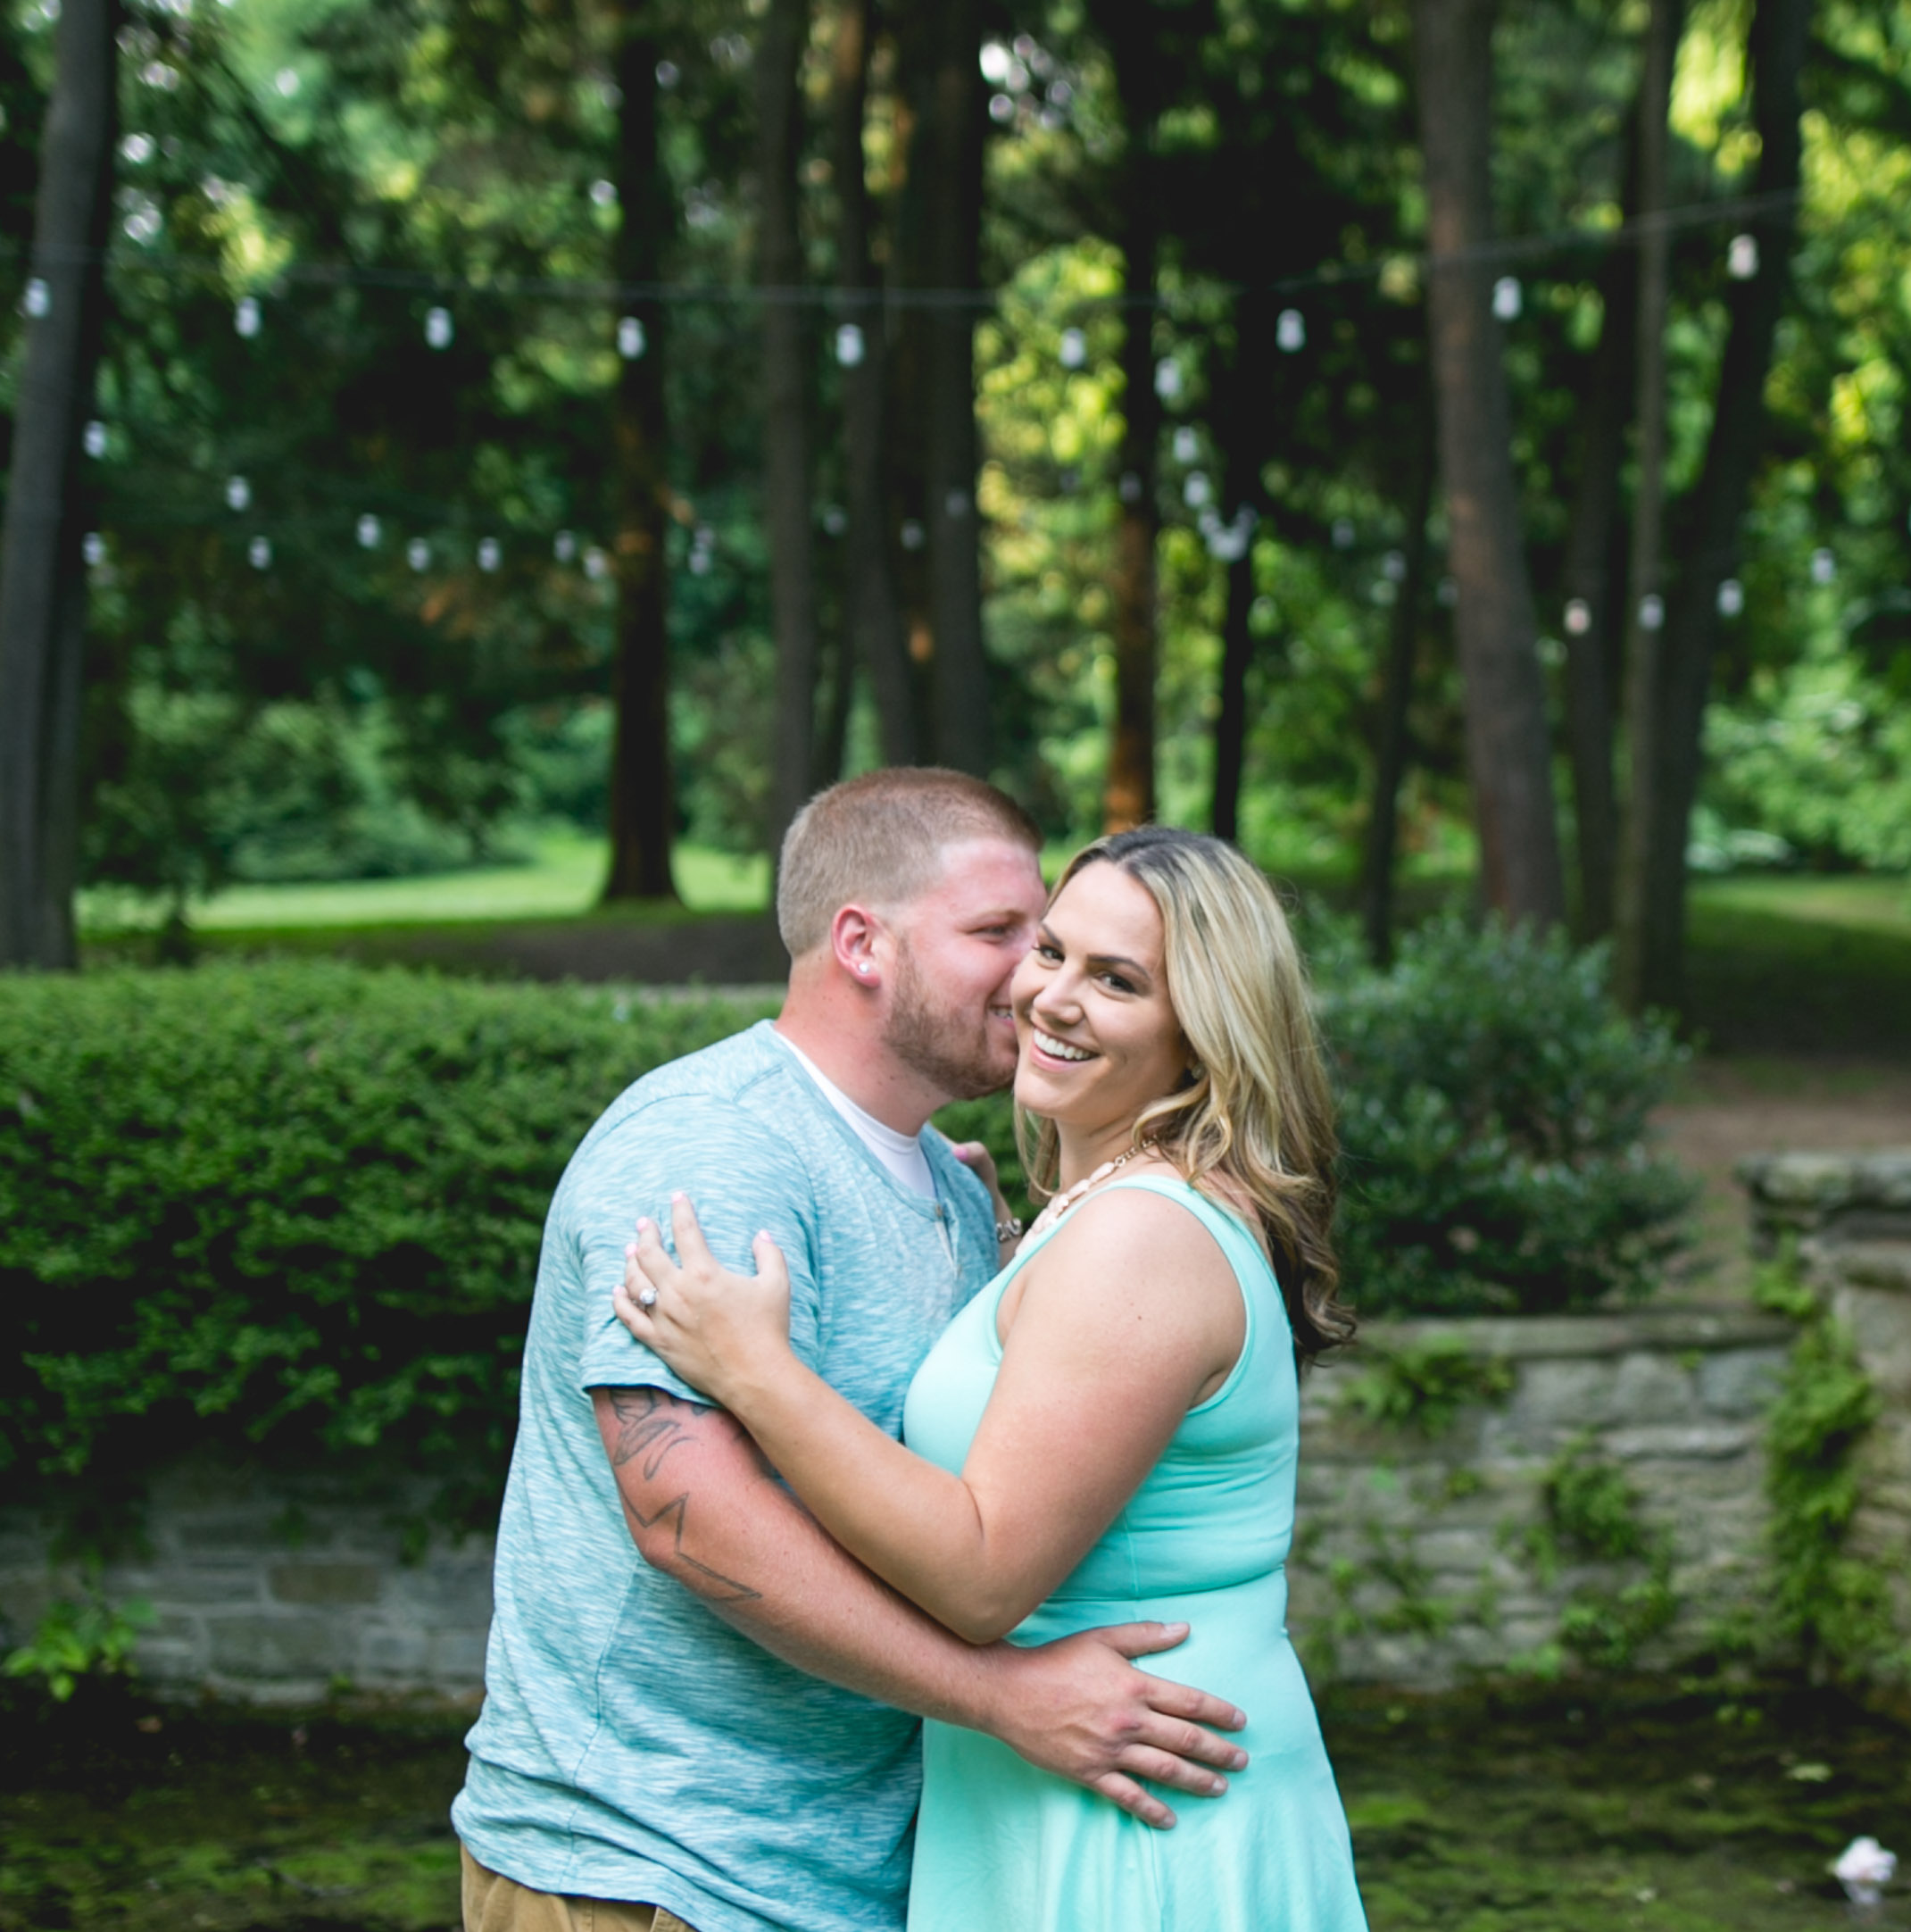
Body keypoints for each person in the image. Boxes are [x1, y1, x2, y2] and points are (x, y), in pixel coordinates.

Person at [453, 771, 1252, 1932]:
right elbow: (687, 1517)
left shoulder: (946, 1184)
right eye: (1001, 935)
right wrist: (1004, 1700)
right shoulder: (712, 1148)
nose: (1038, 976)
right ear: (862, 943)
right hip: (649, 1868)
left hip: (850, 1875)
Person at [616, 823, 1371, 1932]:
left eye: (1117, 981)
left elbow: (980, 1575)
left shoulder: (1138, 1239)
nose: (1052, 997)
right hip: (1071, 1767)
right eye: (1051, 951)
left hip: (1130, 1786)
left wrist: (755, 1370)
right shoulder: (1111, 1221)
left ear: (1202, 1034)